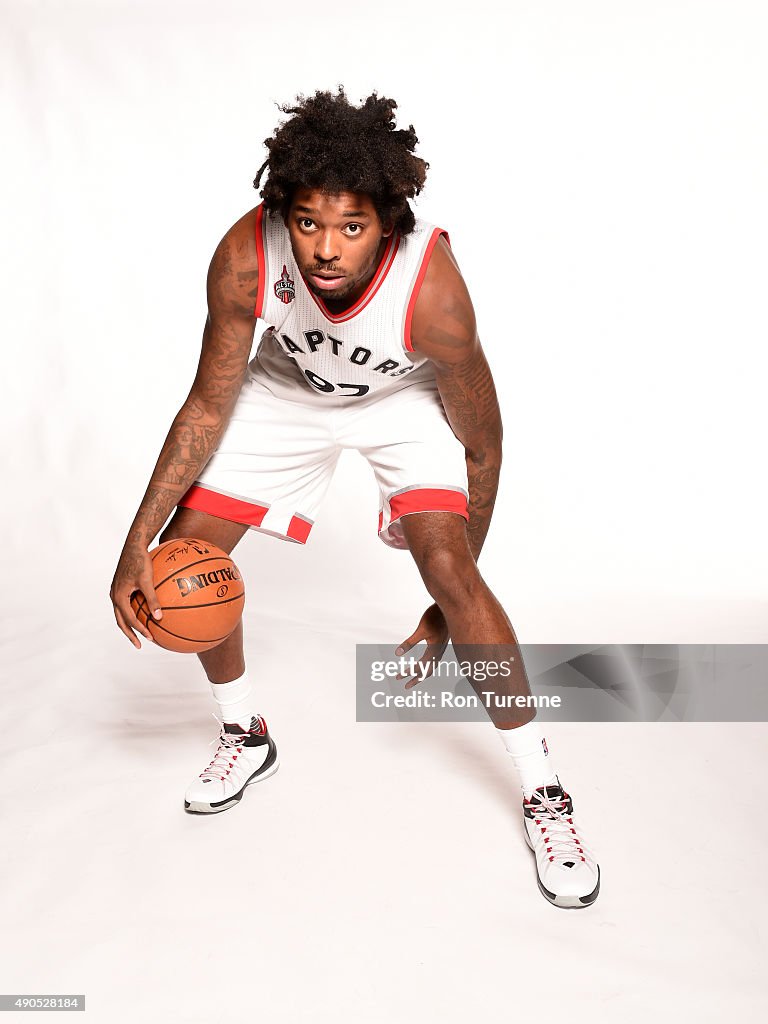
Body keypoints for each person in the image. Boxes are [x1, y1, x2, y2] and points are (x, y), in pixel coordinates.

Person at [109, 87, 599, 909]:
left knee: (451, 572)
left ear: (388, 224)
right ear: (283, 215)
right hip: (288, 392)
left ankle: (544, 788)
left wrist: (448, 602)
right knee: (184, 557)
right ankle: (244, 732)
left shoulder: (433, 295)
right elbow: (204, 404)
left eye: (351, 227)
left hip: (399, 400)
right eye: (308, 223)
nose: (325, 249)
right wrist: (135, 541)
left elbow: (484, 445)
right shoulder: (244, 255)